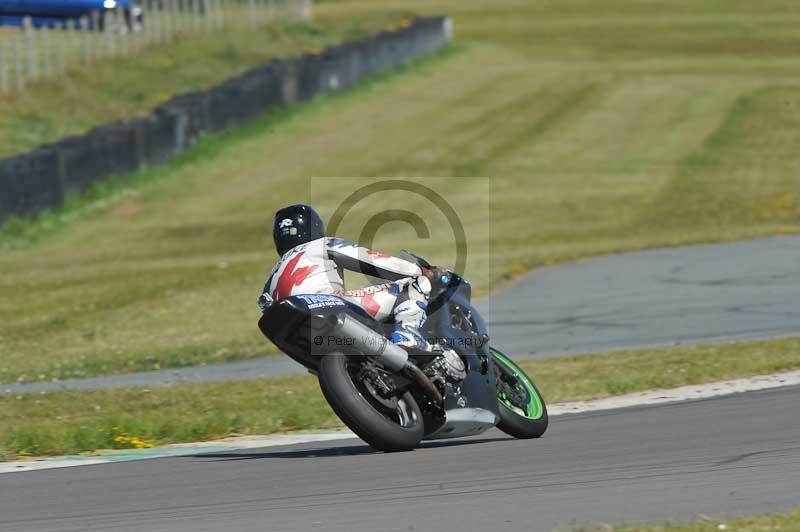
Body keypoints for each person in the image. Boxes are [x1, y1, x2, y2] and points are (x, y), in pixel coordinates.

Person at [258, 204, 441, 351]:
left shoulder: (271, 277)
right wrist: (421, 271)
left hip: (300, 337)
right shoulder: (319, 245)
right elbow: (371, 261)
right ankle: (409, 336)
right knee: (416, 284)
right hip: (329, 306)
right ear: (313, 227)